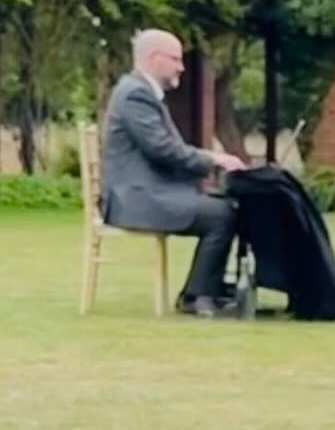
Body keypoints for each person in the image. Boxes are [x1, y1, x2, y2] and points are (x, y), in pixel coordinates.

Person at [100, 29, 246, 317]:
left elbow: (167, 151)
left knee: (225, 207)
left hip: (146, 193)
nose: (181, 67)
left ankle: (207, 288)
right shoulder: (135, 95)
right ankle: (198, 296)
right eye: (176, 59)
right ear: (154, 59)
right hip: (137, 199)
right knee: (223, 214)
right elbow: (163, 150)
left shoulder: (139, 92)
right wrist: (214, 159)